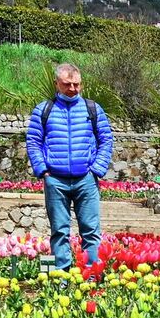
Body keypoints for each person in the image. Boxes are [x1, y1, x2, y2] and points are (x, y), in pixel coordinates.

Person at [25, 62, 113, 272]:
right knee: (59, 231)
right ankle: (61, 278)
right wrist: (43, 171)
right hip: (55, 179)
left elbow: (106, 140)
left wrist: (96, 170)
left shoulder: (92, 109)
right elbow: (33, 142)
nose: (72, 89)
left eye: (76, 84)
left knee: (91, 231)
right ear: (57, 84)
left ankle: (91, 274)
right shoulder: (44, 109)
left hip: (86, 180)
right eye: (67, 84)